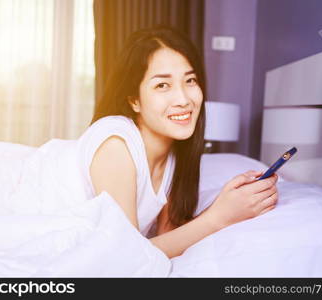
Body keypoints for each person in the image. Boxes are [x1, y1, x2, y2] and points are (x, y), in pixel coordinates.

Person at [87, 25, 278, 259]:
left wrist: (226, 205)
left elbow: (171, 238)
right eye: (162, 85)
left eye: (190, 81)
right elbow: (124, 260)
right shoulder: (115, 144)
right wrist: (218, 217)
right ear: (134, 100)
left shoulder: (174, 153)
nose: (183, 99)